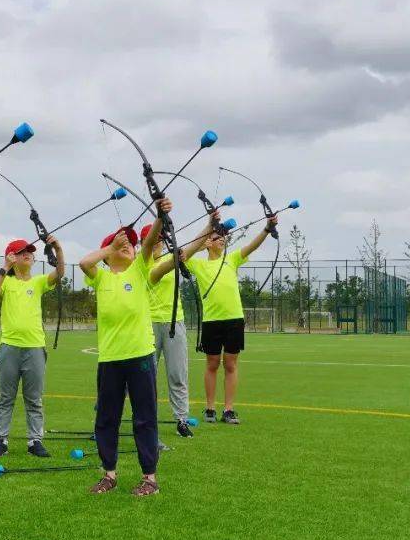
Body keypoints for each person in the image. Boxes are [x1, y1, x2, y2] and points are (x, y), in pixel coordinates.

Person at [80, 198, 183, 497]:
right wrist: (111, 247)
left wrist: (160, 215)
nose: (129, 246)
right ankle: (109, 474)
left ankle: (149, 478)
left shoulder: (139, 271)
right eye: (121, 244)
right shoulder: (100, 277)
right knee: (107, 418)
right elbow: (85, 263)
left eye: (131, 245)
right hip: (110, 359)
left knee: (144, 417)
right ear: (108, 253)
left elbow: (150, 243)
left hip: (140, 357)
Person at [187, 214, 279, 425]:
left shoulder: (232, 258)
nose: (222, 239)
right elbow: (184, 253)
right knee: (211, 364)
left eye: (224, 237)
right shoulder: (198, 264)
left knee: (231, 365)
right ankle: (210, 408)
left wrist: (266, 228)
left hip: (234, 320)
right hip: (211, 321)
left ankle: (228, 409)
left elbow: (252, 246)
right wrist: (203, 243)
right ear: (209, 241)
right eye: (218, 236)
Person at [139, 213, 219, 438]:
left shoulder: (169, 259)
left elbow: (192, 248)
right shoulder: (142, 265)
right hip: (149, 326)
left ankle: (181, 419)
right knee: (146, 377)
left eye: (159, 240)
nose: (157, 243)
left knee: (178, 373)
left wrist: (210, 224)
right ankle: (146, 419)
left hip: (175, 323)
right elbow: (170, 262)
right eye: (152, 240)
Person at [0, 236, 64, 458]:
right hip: (9, 347)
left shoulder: (38, 281)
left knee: (34, 398)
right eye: (21, 252)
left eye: (29, 251)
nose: (27, 254)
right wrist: (4, 267)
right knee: (5, 397)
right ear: (11, 256)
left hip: (35, 348)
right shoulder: (6, 281)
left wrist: (57, 248)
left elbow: (59, 273)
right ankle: (0, 440)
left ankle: (35, 441)